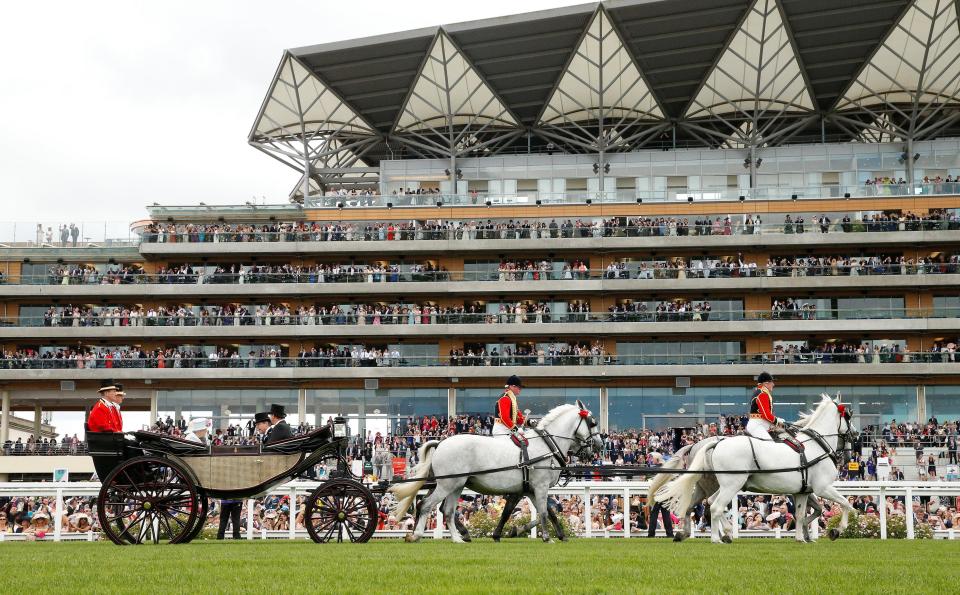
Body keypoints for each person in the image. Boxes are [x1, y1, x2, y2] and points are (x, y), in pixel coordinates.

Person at [745, 372, 784, 441]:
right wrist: (778, 422)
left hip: (761, 424)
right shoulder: (762, 394)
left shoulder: (760, 392)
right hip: (758, 426)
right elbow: (766, 415)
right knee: (770, 444)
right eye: (772, 382)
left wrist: (778, 421)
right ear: (766, 383)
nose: (773, 384)